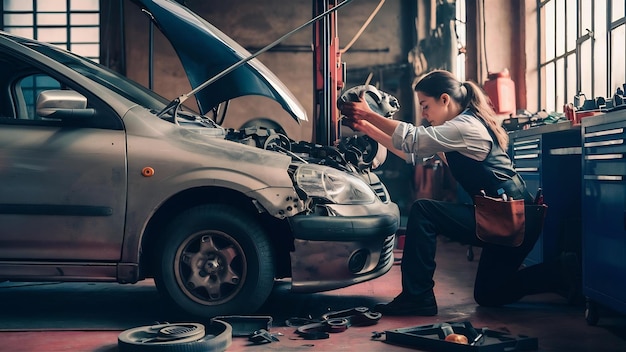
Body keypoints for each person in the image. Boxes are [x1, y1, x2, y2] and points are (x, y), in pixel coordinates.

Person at [339, 69, 580, 316]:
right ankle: (562, 271)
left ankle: (417, 296)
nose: (423, 113)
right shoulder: (457, 128)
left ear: (444, 99)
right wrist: (365, 126)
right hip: (506, 217)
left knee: (424, 212)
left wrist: (367, 114)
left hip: (513, 219)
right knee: (488, 294)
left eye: (425, 105)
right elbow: (413, 152)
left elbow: (414, 138)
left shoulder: (465, 126)